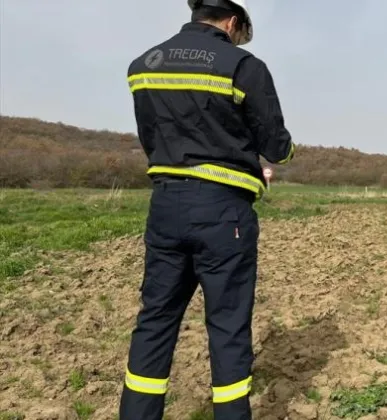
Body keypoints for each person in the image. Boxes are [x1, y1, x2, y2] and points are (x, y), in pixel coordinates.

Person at [119, 1, 294, 418]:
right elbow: (276, 148)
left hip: (165, 204)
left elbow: (150, 135)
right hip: (223, 211)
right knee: (228, 327)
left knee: (156, 320)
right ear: (233, 22)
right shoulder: (243, 66)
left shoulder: (144, 64)